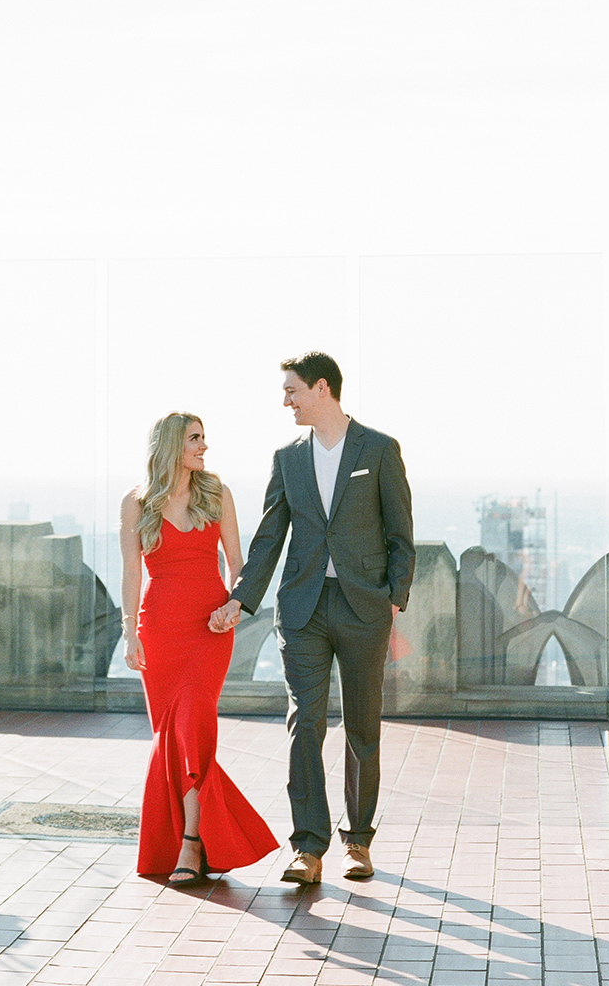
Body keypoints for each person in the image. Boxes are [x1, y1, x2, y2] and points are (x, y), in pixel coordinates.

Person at [209, 353, 415, 884]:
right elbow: (270, 534)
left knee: (362, 725)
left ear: (322, 388)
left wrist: (394, 597)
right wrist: (241, 598)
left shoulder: (379, 449)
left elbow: (400, 533)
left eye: (292, 390)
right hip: (302, 607)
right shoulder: (287, 457)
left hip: (363, 606)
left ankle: (359, 842)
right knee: (305, 722)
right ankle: (308, 846)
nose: (286, 401)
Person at [120, 413, 277, 884]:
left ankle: (190, 844)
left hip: (209, 632)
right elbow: (132, 573)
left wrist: (233, 605)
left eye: (204, 438)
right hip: (160, 632)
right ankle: (197, 839)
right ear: (171, 444)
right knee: (174, 740)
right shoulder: (136, 503)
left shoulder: (216, 493)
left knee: (193, 730)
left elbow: (238, 563)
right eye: (195, 439)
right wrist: (130, 632)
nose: (204, 446)